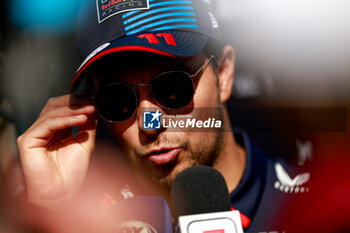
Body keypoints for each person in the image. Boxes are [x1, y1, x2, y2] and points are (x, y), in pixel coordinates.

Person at [17, 0, 310, 232]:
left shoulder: (310, 204)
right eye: (118, 100)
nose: (149, 123)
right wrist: (50, 208)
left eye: (172, 88)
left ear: (224, 73)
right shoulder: (89, 224)